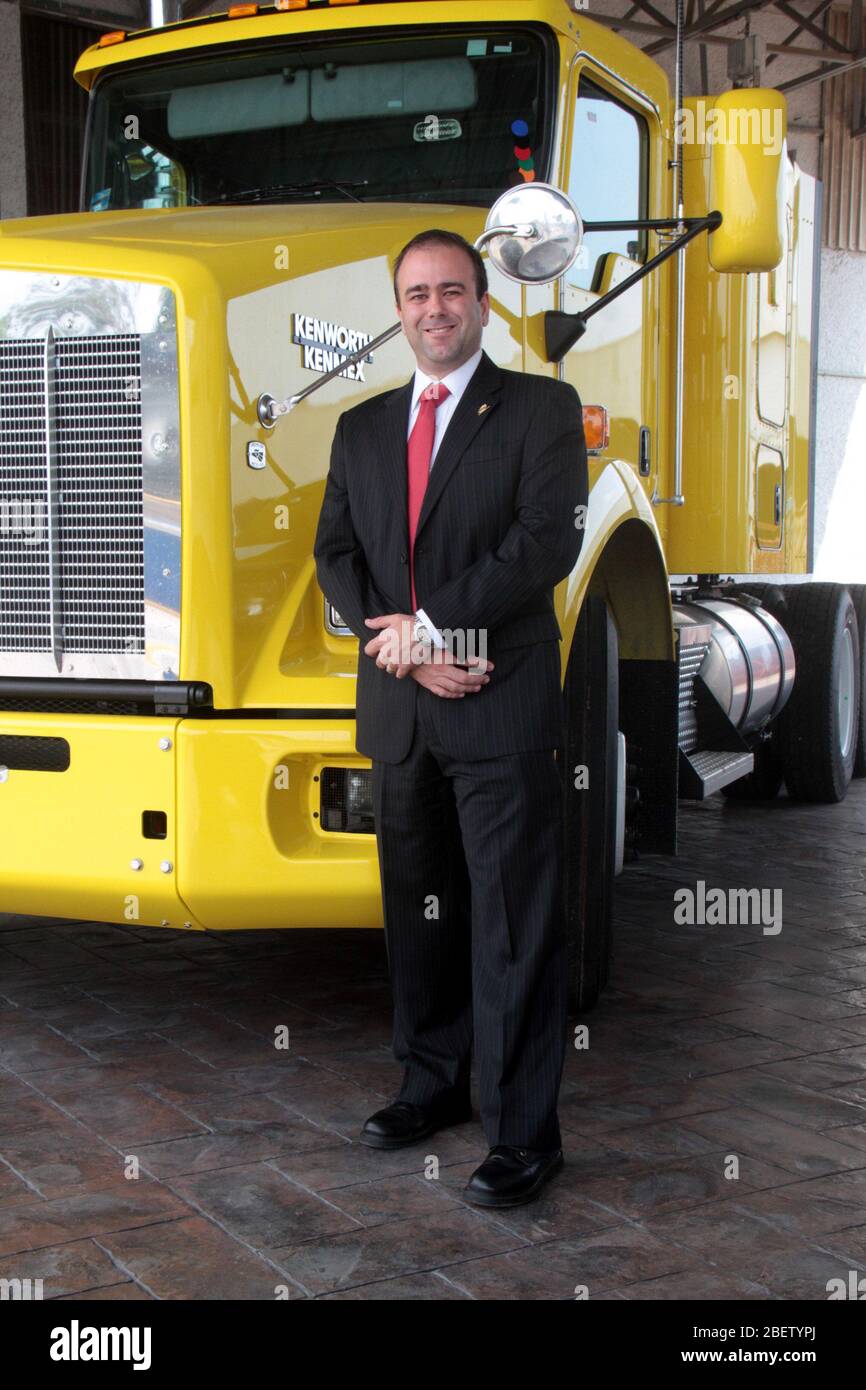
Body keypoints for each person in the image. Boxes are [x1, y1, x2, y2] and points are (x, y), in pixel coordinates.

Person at [313, 228, 588, 1207]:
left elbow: (541, 544)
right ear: (398, 308)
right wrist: (404, 649)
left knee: (512, 923)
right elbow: (334, 559)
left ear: (482, 303)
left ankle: (523, 1134)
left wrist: (432, 632)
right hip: (403, 710)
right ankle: (429, 1085)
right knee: (418, 914)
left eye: (451, 291)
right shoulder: (360, 426)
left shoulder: (540, 410)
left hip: (496, 705)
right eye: (416, 293)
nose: (433, 308)